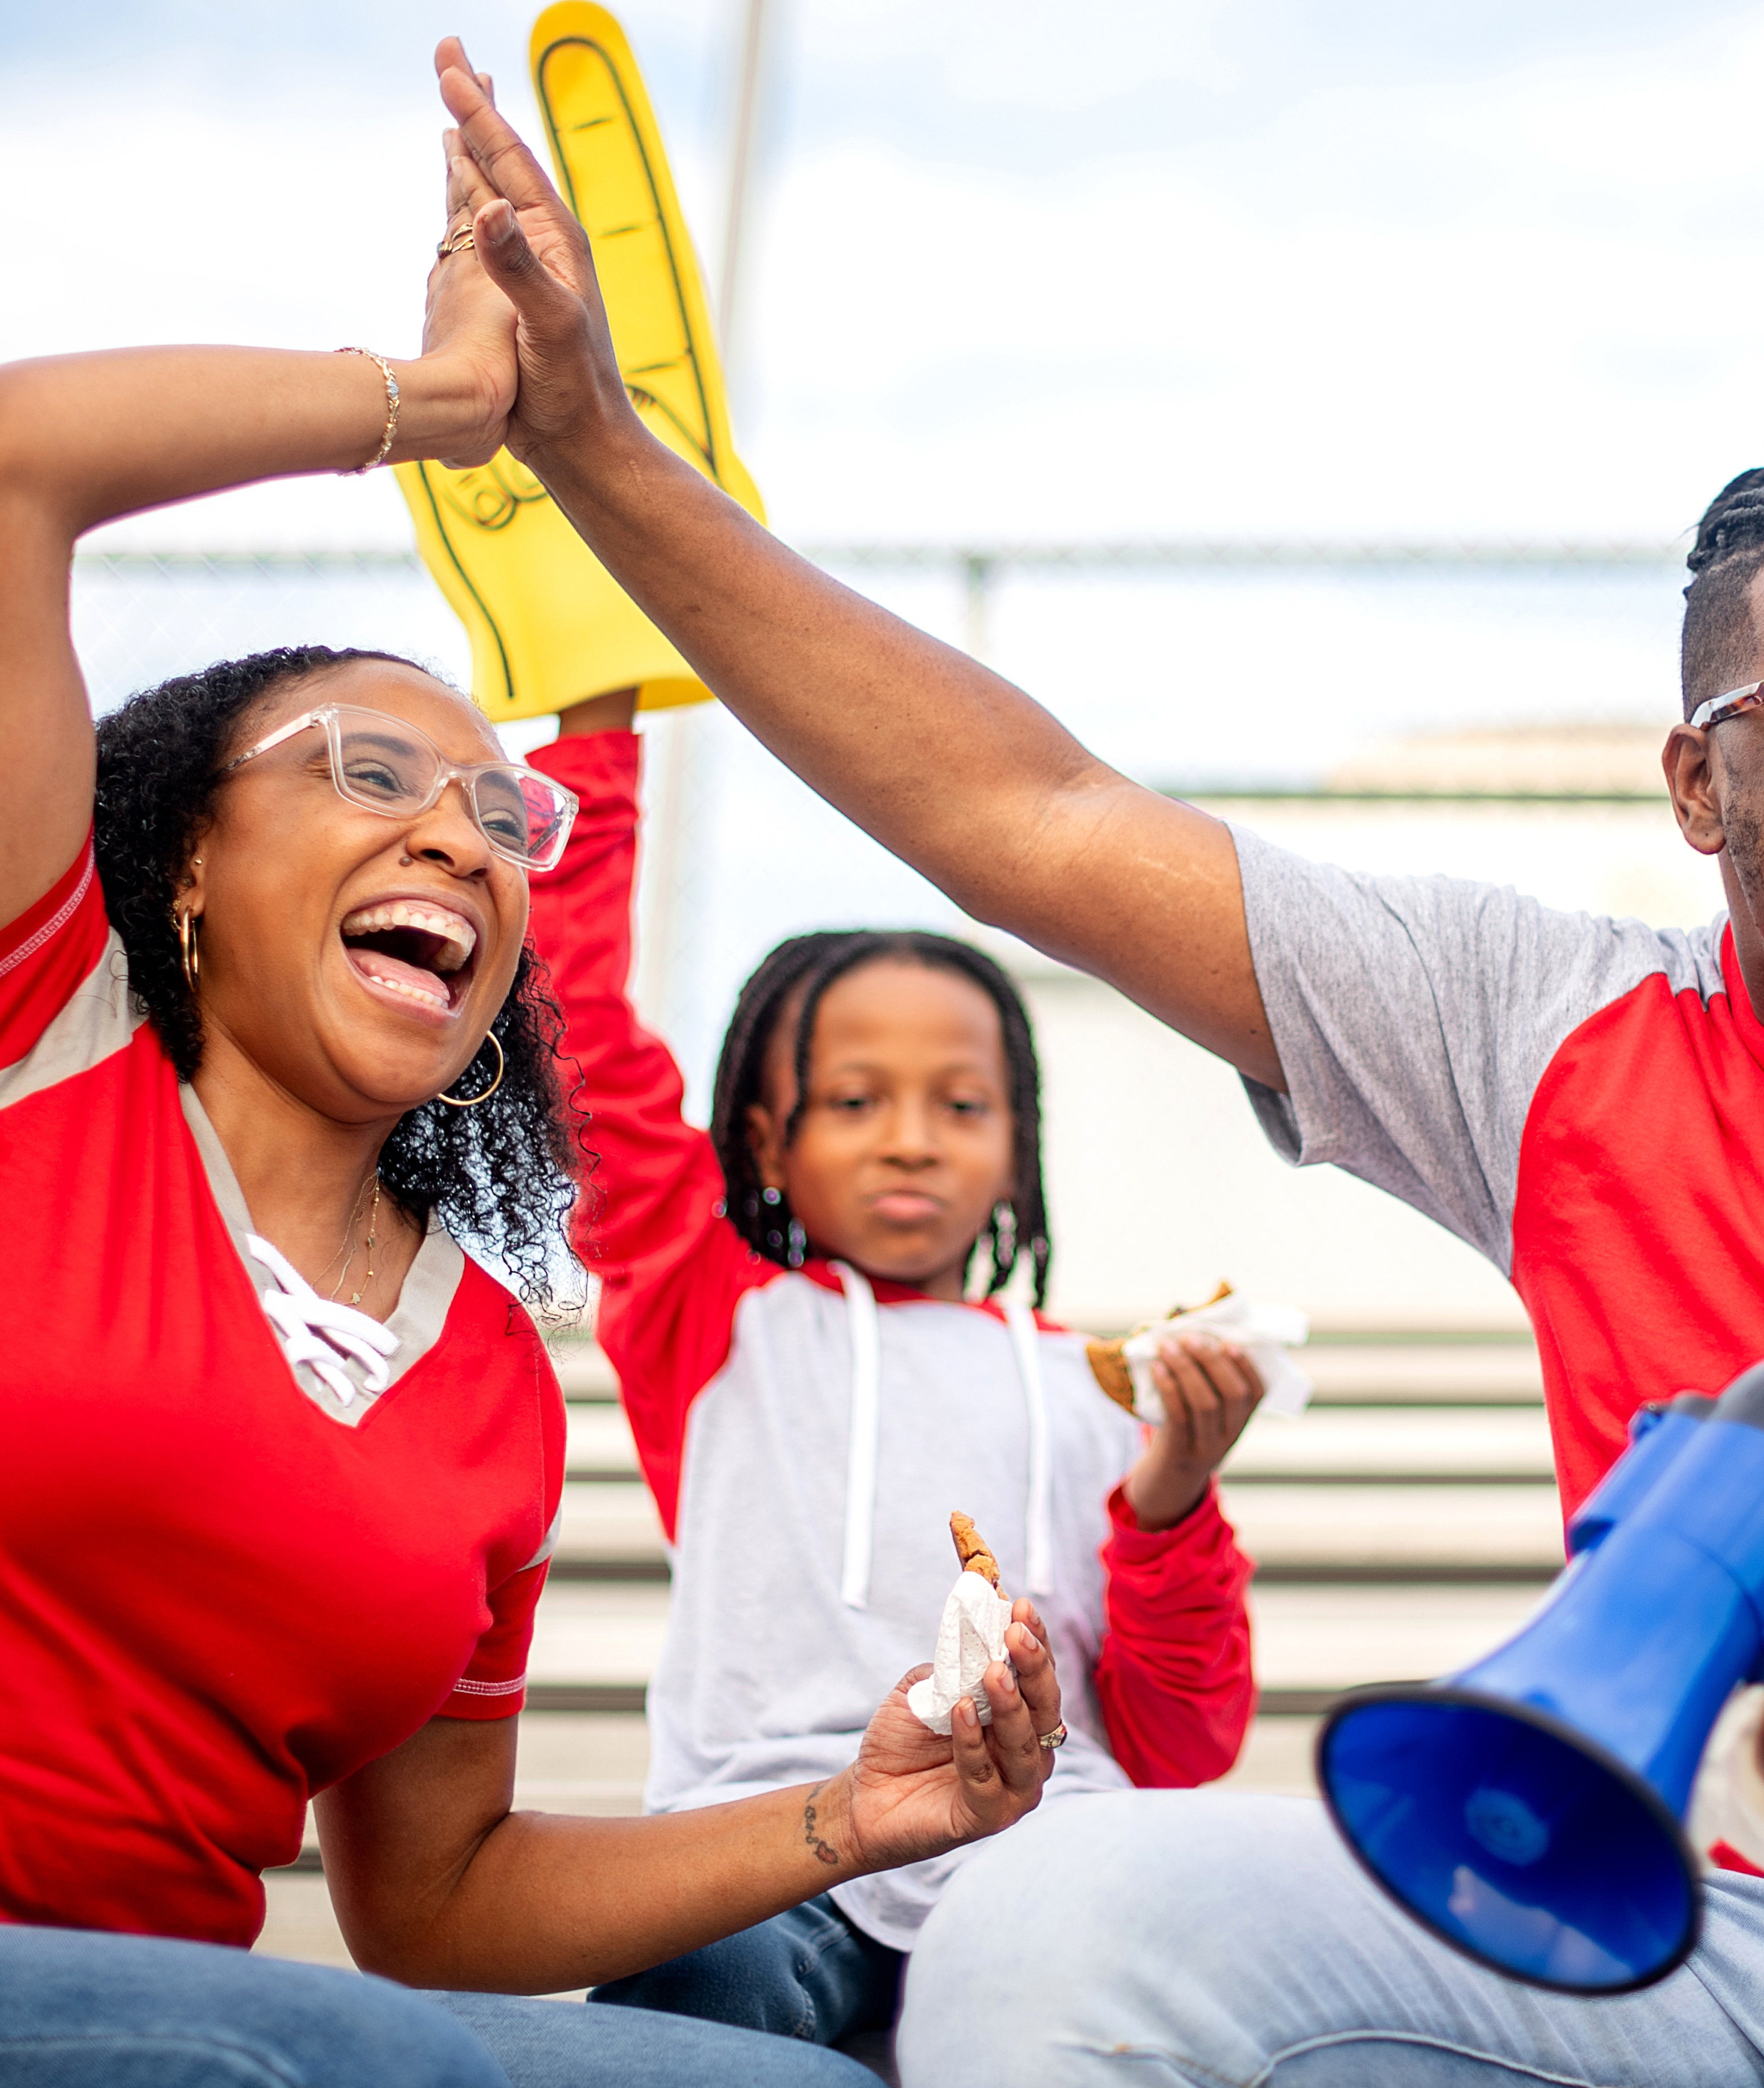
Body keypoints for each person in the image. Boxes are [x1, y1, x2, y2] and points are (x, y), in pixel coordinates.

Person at [416, 43, 1764, 2085]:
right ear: (1698, 785)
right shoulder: (1544, 1029)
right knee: (1057, 1927)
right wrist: (595, 449)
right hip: (1675, 1938)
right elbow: (1032, 817)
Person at [0, 127, 1069, 2088]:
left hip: (157, 2037)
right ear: (181, 857)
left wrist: (858, 1816)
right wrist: (445, 402)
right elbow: (0, 454)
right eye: (371, 771)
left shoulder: (489, 1382)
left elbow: (440, 1902)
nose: (462, 837)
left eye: (502, 814)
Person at [520, 696, 1263, 2049]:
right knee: (695, 1996)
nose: (911, 1139)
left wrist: (1172, 1496)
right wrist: (595, 722)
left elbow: (1179, 1742)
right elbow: (576, 1034)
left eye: (960, 1104)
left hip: (1044, 1862)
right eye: (855, 1100)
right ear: (765, 1139)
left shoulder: (1105, 1388)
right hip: (771, 1853)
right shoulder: (709, 1312)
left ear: (1014, 1141)